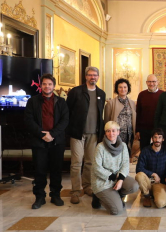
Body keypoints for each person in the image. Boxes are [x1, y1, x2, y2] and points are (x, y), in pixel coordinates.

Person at [25, 74, 69, 209]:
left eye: (50, 84)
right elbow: (28, 120)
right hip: (39, 141)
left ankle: (55, 195)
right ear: (41, 86)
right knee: (39, 170)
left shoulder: (61, 102)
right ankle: (40, 197)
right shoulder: (32, 101)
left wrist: (52, 134)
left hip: (57, 141)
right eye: (44, 84)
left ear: (53, 86)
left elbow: (65, 120)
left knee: (56, 169)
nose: (47, 86)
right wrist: (41, 134)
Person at [67, 66, 106, 204]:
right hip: (77, 133)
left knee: (90, 162)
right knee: (76, 163)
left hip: (94, 133)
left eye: (95, 75)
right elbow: (68, 111)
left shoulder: (101, 93)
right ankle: (75, 192)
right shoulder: (76, 92)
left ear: (98, 77)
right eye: (90, 75)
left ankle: (88, 186)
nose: (92, 77)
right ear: (86, 76)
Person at [91, 121, 139, 215]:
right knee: (117, 211)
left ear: (118, 132)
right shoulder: (100, 147)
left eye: (113, 131)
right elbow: (96, 168)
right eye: (108, 131)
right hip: (102, 181)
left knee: (134, 186)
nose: (111, 133)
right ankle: (98, 197)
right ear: (105, 133)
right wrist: (113, 177)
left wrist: (120, 180)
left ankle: (116, 196)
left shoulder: (124, 146)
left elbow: (125, 164)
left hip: (117, 178)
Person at [135, 128, 166, 208]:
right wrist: (153, 174)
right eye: (155, 137)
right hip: (148, 181)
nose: (157, 140)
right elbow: (138, 168)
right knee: (139, 176)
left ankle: (153, 194)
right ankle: (146, 196)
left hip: (160, 183)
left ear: (163, 139)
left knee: (160, 204)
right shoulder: (145, 151)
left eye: (159, 137)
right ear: (152, 138)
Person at [104, 78, 136, 150]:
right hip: (115, 134)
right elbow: (106, 120)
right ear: (117, 89)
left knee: (127, 153)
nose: (123, 89)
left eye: (125, 87)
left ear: (128, 88)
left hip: (129, 134)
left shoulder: (132, 103)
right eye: (120, 87)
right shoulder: (111, 103)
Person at [136, 74, 164, 150]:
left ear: (157, 82)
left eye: (154, 81)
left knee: (158, 149)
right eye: (149, 81)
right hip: (144, 129)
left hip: (158, 128)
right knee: (144, 149)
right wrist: (137, 130)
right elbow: (138, 113)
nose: (151, 84)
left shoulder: (163, 95)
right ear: (146, 82)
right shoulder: (141, 95)